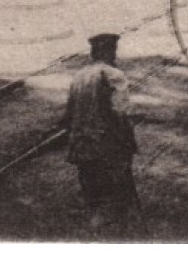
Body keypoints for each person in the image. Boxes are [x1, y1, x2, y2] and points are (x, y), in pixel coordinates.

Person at [65, 33, 138, 232]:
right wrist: (128, 144)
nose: (114, 54)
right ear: (109, 51)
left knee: (91, 191)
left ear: (93, 52)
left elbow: (69, 113)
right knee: (114, 195)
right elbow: (120, 112)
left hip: (81, 145)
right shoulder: (114, 75)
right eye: (113, 50)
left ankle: (90, 230)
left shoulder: (79, 76)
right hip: (106, 146)